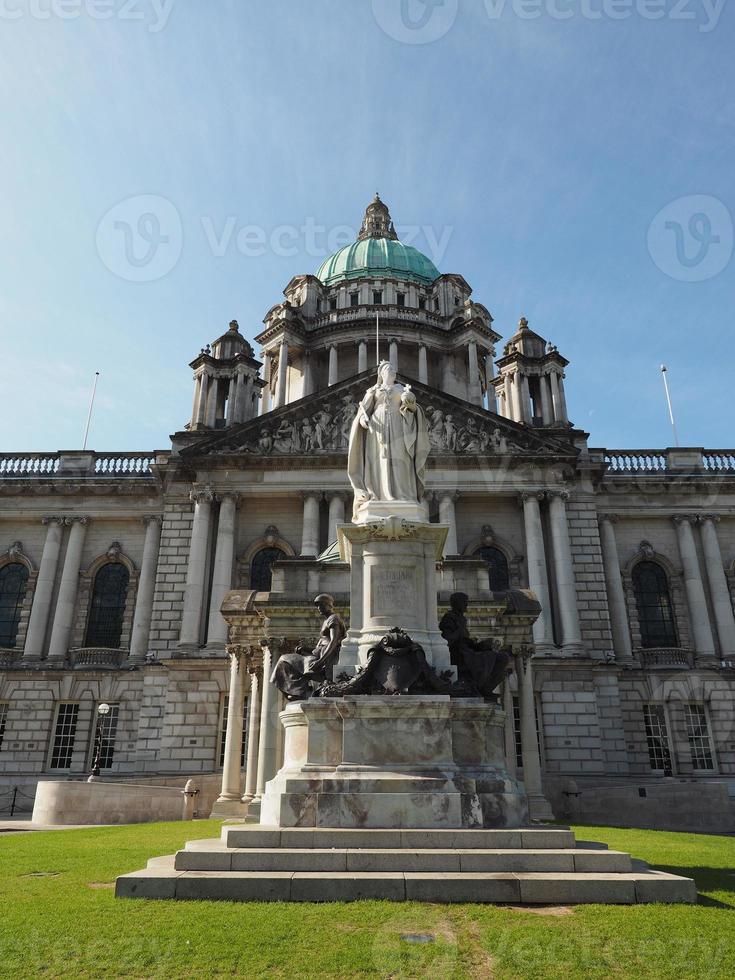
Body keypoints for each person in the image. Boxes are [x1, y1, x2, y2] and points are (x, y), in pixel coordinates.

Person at [347, 360, 430, 521]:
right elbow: (363, 412)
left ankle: (403, 494)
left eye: (393, 369)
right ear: (382, 374)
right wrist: (363, 421)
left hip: (399, 427)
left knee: (401, 459)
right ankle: (377, 494)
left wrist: (410, 403)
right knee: (379, 461)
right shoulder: (373, 390)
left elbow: (413, 410)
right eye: (388, 369)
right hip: (378, 428)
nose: (392, 371)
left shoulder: (401, 389)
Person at [270, 594, 346, 700]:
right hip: (317, 653)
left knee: (284, 661)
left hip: (325, 657)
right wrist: (305, 649)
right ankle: (299, 692)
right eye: (318, 606)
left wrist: (320, 662)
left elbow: (334, 641)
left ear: (329, 605)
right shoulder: (327, 620)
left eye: (321, 605)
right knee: (284, 661)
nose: (319, 608)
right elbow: (322, 644)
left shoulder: (334, 619)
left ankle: (302, 692)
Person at [439, 592, 511, 701]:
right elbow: (448, 640)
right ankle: (482, 688)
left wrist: (480, 644)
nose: (466, 605)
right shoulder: (448, 618)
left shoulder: (461, 619)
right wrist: (460, 631)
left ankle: (485, 688)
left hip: (467, 651)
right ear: (458, 603)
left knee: (503, 658)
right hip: (458, 654)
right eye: (465, 602)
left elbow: (465, 641)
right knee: (491, 658)